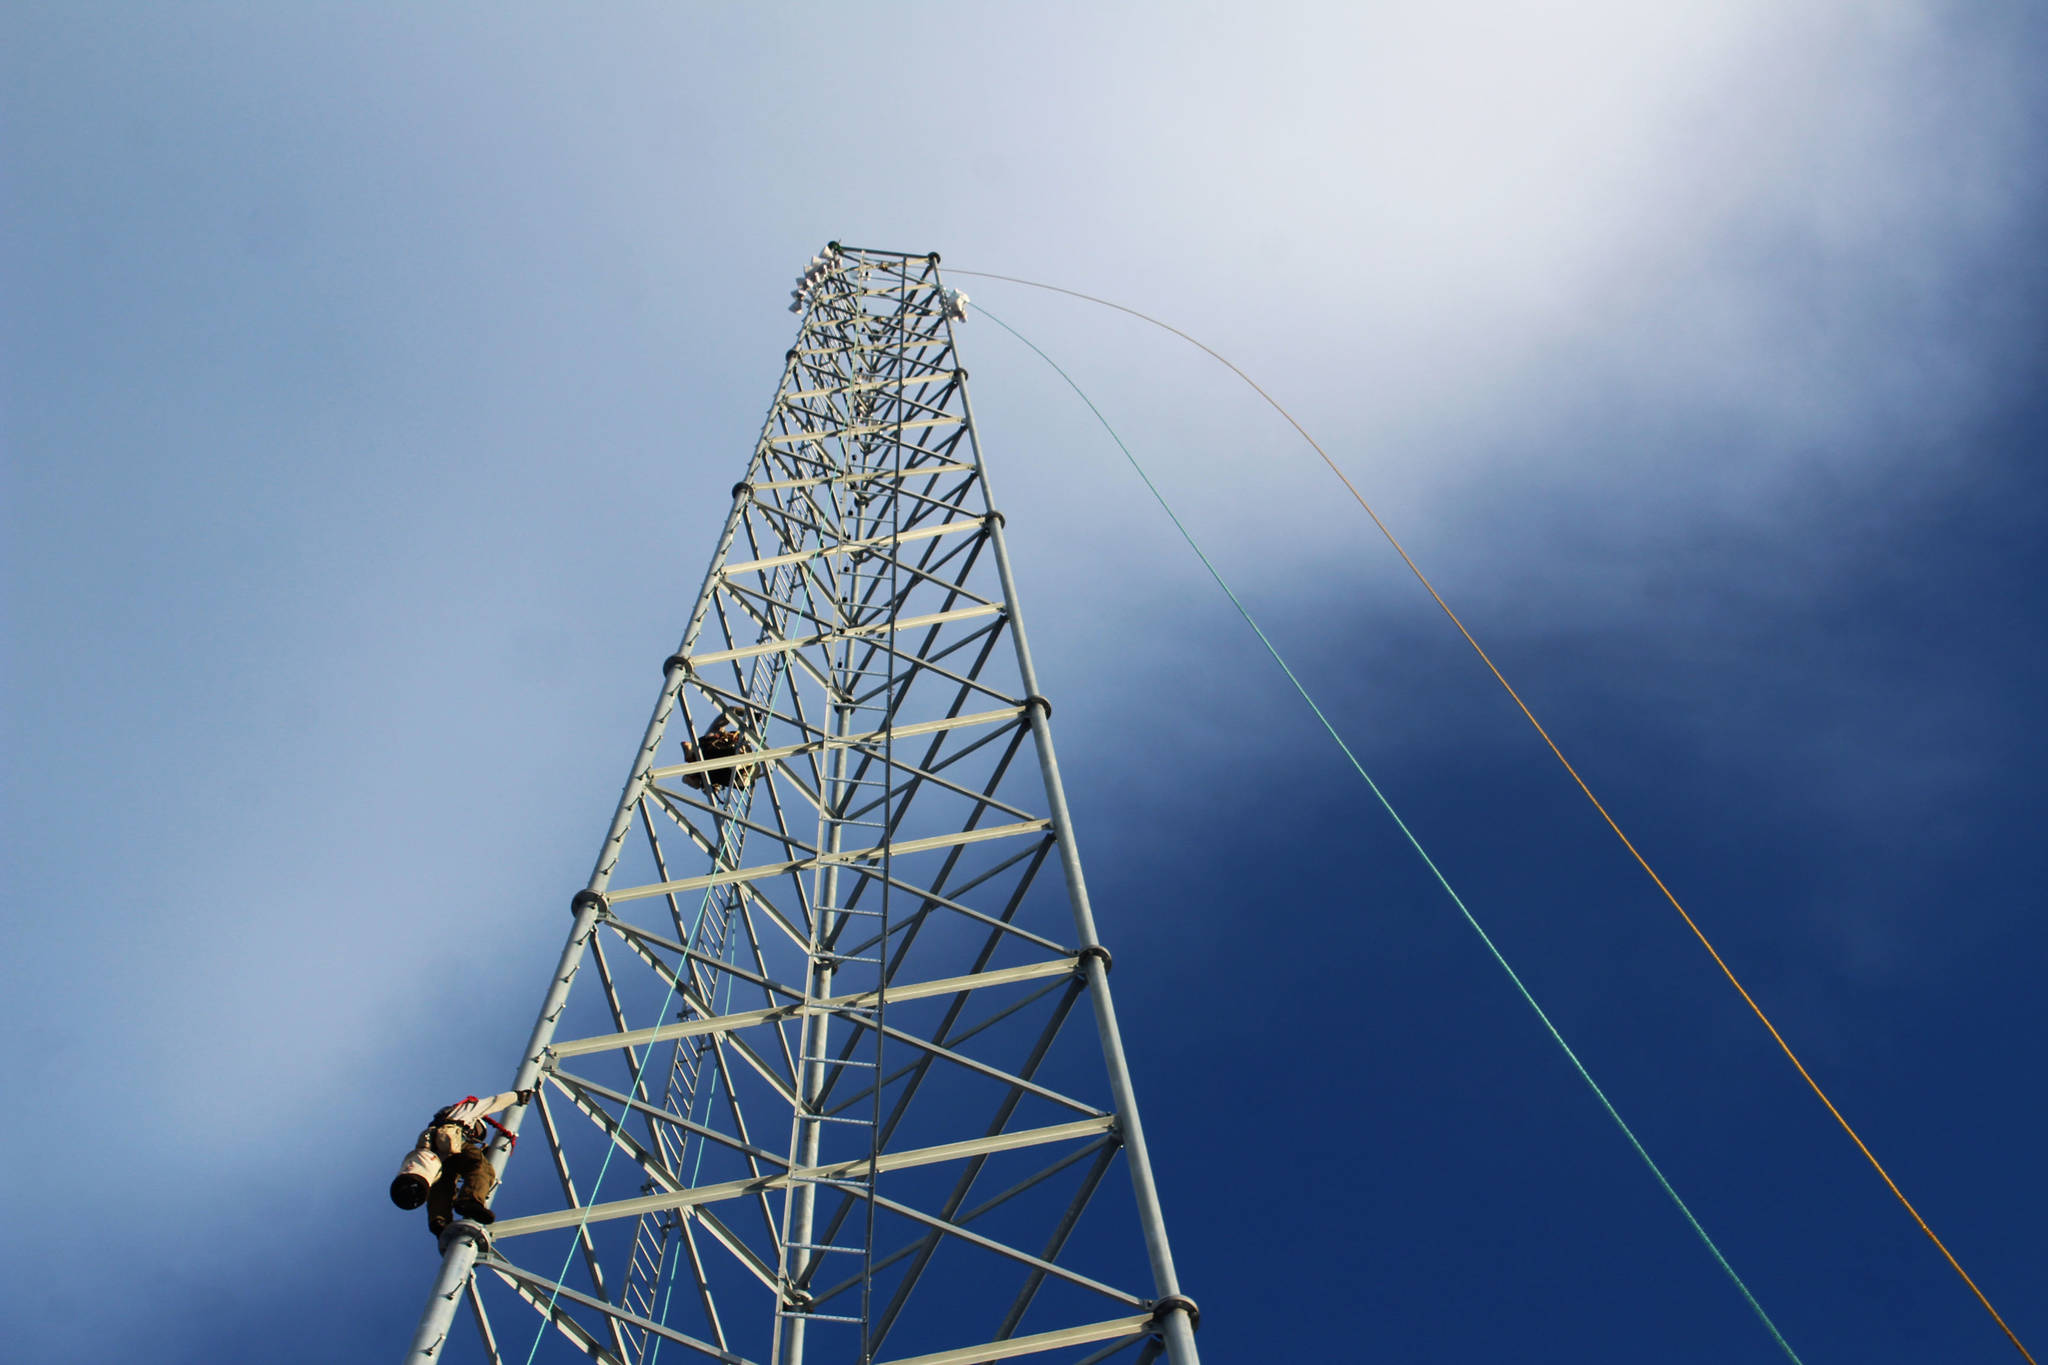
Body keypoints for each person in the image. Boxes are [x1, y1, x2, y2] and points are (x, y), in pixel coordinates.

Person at [389, 1089, 533, 1234]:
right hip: (450, 1139)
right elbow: (492, 1103)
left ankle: (439, 1220)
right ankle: (470, 1200)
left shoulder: (434, 1129)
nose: (475, 1136)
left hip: (439, 1156)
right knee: (480, 1166)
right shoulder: (464, 1112)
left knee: (442, 1184)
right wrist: (516, 1096)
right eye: (477, 1133)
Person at [681, 714, 754, 791]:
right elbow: (731, 712)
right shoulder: (713, 736)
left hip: (725, 766)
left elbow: (732, 711)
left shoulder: (716, 739)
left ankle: (742, 770)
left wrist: (749, 715)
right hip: (716, 763)